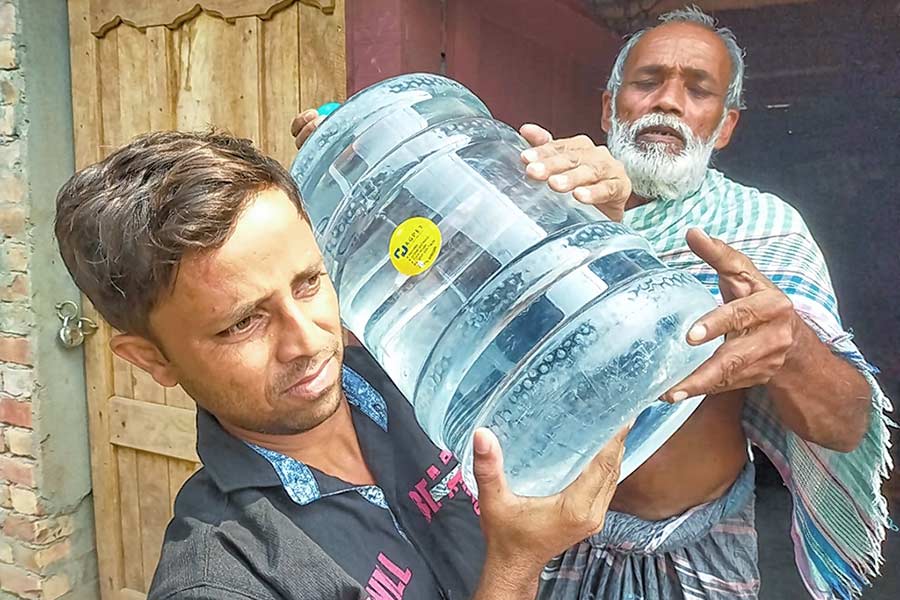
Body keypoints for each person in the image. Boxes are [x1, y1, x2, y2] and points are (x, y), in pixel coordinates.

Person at [291, 6, 893, 600]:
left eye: (699, 89)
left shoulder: (759, 226)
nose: (668, 102)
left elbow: (844, 424)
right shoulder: (527, 192)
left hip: (694, 556)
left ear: (725, 124)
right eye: (648, 81)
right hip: (537, 550)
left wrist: (791, 349)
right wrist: (357, 155)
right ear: (611, 106)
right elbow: (424, 291)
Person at [54, 131, 629, 599]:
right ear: (151, 358)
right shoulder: (226, 577)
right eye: (242, 323)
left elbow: (584, 363)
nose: (308, 341)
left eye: (309, 284)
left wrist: (587, 235)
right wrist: (515, 565)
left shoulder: (409, 359)